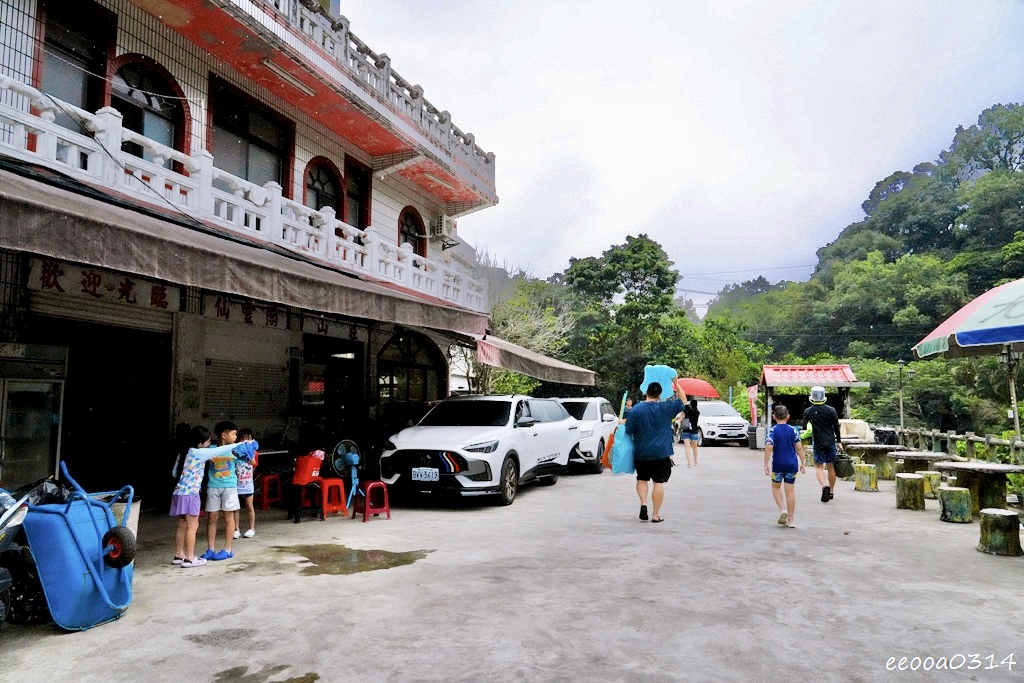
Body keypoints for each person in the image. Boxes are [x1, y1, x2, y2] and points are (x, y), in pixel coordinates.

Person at [170, 426, 256, 568]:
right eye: (207, 441)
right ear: (200, 442)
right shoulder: (198, 453)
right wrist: (241, 444)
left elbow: (174, 473)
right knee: (193, 526)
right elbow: (219, 450)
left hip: (179, 492)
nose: (209, 443)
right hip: (191, 494)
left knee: (182, 524)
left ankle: (179, 554)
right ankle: (190, 558)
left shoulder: (184, 452)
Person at [625, 378, 686, 524]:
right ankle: (655, 514)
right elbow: (683, 401)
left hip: (642, 452)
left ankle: (643, 504)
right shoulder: (666, 408)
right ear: (659, 394)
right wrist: (676, 384)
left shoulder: (636, 409)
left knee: (642, 479)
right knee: (658, 482)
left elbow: (629, 430)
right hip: (661, 452)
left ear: (646, 392)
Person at [202, 420, 241, 560]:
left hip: (230, 486)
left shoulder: (235, 449)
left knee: (228, 517)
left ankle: (228, 549)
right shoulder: (211, 449)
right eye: (234, 434)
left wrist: (247, 449)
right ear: (224, 435)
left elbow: (251, 462)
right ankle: (210, 548)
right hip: (213, 486)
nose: (236, 437)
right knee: (212, 517)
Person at [764, 405, 805, 528]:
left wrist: (765, 463)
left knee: (776, 487)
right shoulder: (793, 430)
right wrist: (803, 462)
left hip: (778, 464)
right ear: (788, 417)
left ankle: (782, 509)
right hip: (792, 464)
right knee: (790, 491)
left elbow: (769, 447)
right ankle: (791, 519)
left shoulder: (772, 430)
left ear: (774, 417)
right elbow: (799, 447)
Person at [802, 386, 844, 503]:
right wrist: (839, 441)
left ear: (812, 397)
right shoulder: (831, 410)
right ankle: (831, 491)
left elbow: (804, 427)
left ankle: (823, 486)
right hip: (830, 441)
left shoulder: (808, 411)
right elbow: (836, 427)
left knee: (819, 466)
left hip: (818, 442)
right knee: (830, 466)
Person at [232, 427, 257, 539]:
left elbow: (253, 464)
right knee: (235, 508)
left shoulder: (253, 452)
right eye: (244, 439)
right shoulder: (235, 452)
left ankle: (252, 528)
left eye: (249, 439)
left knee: (249, 506)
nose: (246, 441)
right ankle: (236, 529)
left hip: (248, 485)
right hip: (236, 485)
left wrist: (249, 452)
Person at [677, 399, 701, 467]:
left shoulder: (686, 411)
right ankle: (695, 461)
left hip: (686, 431)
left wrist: (679, 418)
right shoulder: (697, 412)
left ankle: (689, 462)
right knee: (695, 447)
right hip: (694, 431)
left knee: (687, 447)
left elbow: (681, 419)